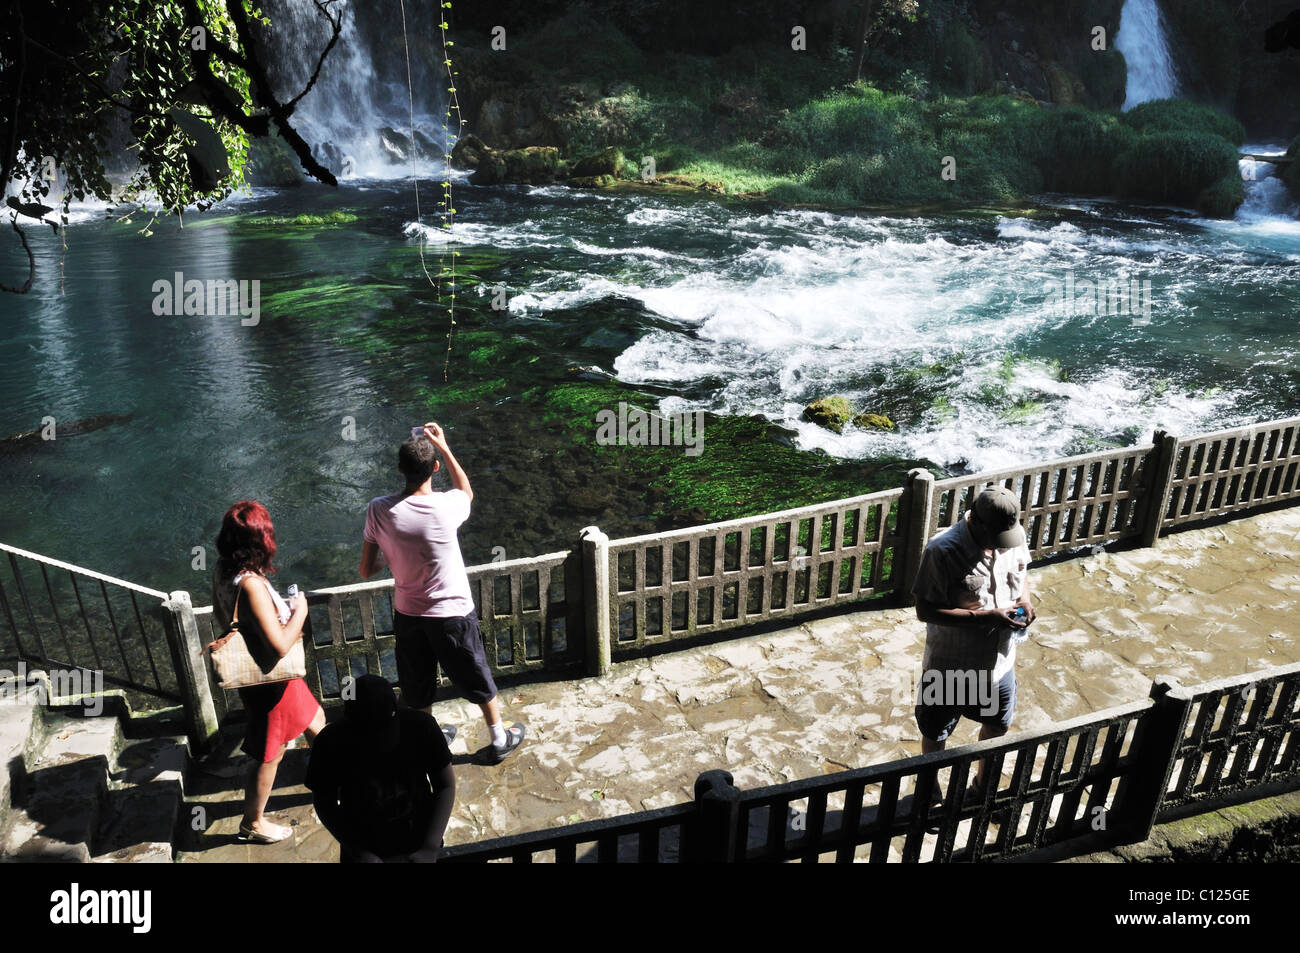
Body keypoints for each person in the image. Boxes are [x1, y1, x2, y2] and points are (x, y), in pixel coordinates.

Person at [360, 422, 524, 763]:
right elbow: (467, 491)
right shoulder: (446, 507)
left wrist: (396, 555)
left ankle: (427, 742)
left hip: (408, 614)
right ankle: (498, 738)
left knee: (416, 685)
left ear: (399, 470)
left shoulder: (378, 509)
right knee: (475, 673)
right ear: (434, 468)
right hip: (452, 614)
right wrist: (445, 447)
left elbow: (366, 568)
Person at [211, 500, 327, 844]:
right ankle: (253, 822)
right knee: (270, 750)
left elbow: (226, 616)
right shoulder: (250, 585)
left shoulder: (221, 569)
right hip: (271, 677)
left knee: (315, 718)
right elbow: (278, 645)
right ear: (260, 541)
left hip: (265, 674)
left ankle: (338, 776)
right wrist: (299, 613)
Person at [911, 483, 1035, 797]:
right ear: (975, 522)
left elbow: (1022, 575)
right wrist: (984, 618)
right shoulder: (942, 550)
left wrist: (1026, 601)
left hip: (999, 663)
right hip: (953, 664)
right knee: (936, 731)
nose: (1003, 546)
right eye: (997, 539)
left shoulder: (1012, 536)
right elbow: (925, 610)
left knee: (998, 725)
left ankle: (982, 787)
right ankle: (930, 792)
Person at [305, 674, 455, 863]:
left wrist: (429, 846)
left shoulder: (422, 727)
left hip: (417, 836)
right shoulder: (329, 743)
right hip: (363, 842)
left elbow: (445, 785)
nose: (377, 743)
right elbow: (324, 803)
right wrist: (358, 852)